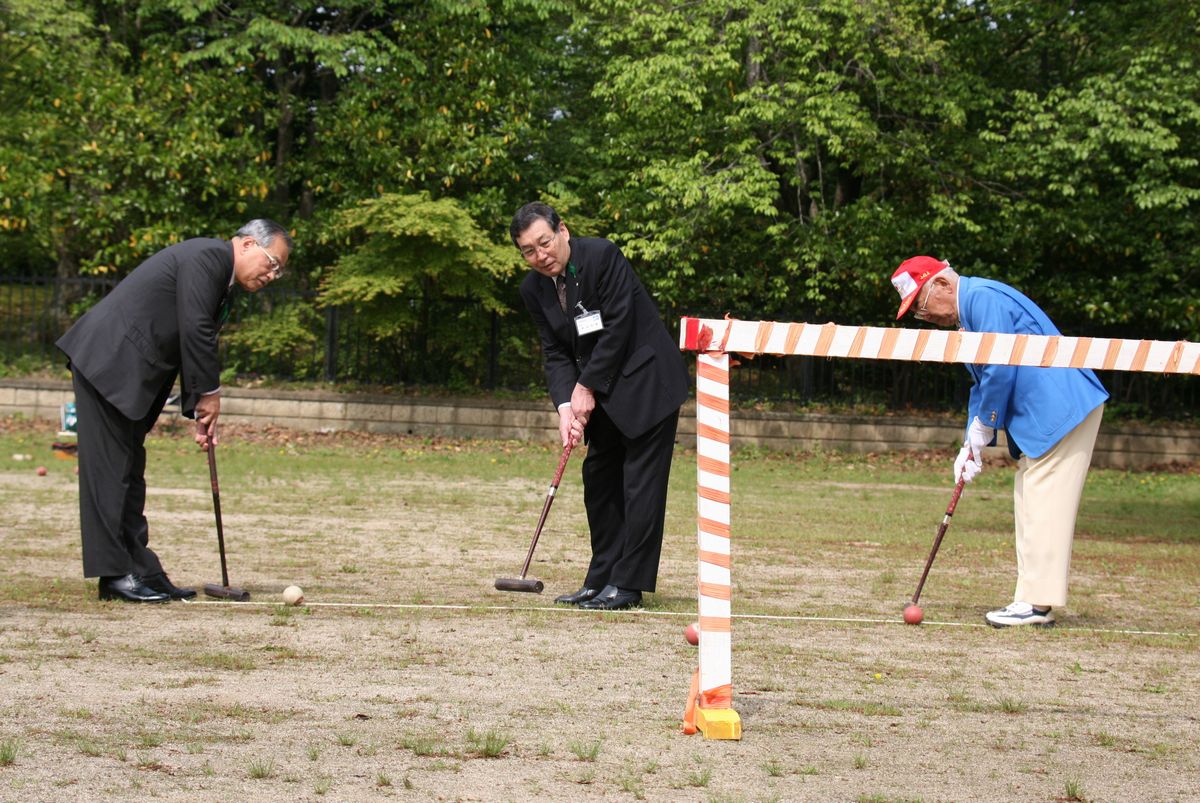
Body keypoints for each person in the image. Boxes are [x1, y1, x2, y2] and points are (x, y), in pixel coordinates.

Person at [56, 220, 293, 603]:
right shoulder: (209, 257)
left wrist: (198, 409)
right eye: (272, 263)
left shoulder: (219, 275)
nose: (273, 274)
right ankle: (115, 576)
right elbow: (195, 327)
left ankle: (143, 570)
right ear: (249, 244)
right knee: (112, 473)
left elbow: (189, 335)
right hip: (110, 361)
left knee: (129, 471)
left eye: (279, 270)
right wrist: (209, 394)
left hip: (128, 371)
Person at [891, 256, 1108, 627]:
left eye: (923, 306)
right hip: (1048, 414)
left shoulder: (982, 299)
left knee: (1043, 503)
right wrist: (970, 442)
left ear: (942, 285)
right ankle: (1031, 599)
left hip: (1061, 408)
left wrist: (985, 427)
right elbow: (982, 381)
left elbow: (999, 369)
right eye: (917, 314)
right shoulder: (970, 312)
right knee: (1030, 500)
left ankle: (1036, 604)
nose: (926, 317)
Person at [510, 202, 688, 610]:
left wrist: (586, 387)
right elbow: (555, 351)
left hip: (646, 383)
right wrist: (564, 408)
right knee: (599, 481)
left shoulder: (603, 256)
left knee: (639, 484)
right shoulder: (532, 290)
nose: (541, 256)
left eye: (544, 242)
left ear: (563, 232)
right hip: (603, 394)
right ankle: (601, 577)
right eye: (529, 251)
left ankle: (628, 586)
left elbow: (618, 326)